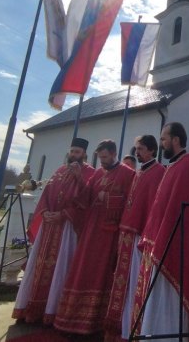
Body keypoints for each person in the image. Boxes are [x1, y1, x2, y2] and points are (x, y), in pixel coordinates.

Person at [132, 122, 189, 340]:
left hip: (175, 246)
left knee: (170, 299)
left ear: (176, 140)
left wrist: (162, 241)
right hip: (161, 242)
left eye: (163, 139)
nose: (161, 144)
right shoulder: (173, 166)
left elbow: (180, 211)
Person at [54, 139, 135, 334]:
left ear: (114, 154)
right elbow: (86, 196)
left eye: (105, 157)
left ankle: (98, 319)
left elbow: (131, 202)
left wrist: (108, 199)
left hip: (109, 232)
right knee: (83, 267)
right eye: (100, 158)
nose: (102, 161)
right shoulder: (98, 172)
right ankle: (73, 317)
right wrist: (78, 179)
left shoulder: (128, 174)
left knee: (102, 271)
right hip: (92, 229)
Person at [12, 138, 95, 325]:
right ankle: (31, 307)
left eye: (78, 152)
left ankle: (53, 310)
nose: (74, 155)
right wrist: (45, 212)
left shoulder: (90, 173)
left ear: (85, 154)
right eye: (72, 151)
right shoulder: (59, 171)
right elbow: (47, 194)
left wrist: (64, 213)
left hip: (67, 228)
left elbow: (88, 202)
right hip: (49, 226)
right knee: (39, 266)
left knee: (61, 267)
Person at [105, 135, 166, 342]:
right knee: (124, 283)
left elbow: (154, 207)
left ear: (151, 150)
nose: (136, 152)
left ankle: (136, 326)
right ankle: (122, 325)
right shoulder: (140, 172)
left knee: (136, 283)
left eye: (140, 149)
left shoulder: (158, 172)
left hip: (141, 237)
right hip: (127, 234)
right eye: (136, 148)